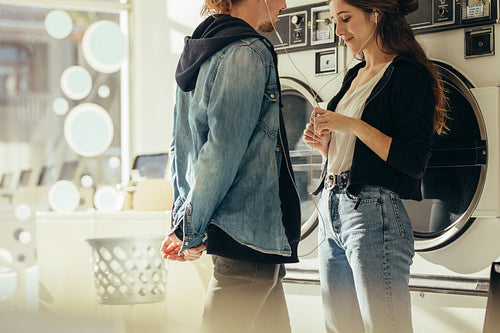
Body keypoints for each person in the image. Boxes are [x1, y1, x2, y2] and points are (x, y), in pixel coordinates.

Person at [302, 0, 447, 332]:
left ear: (376, 15)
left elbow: (413, 161)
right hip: (331, 208)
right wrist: (327, 148)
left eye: (345, 19)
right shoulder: (356, 74)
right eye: (334, 21)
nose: (338, 31)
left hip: (372, 213)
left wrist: (350, 124)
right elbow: (359, 154)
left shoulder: (408, 73)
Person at [160, 1, 301, 332]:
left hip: (241, 239)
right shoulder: (247, 52)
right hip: (249, 236)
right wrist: (189, 229)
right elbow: (221, 153)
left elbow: (181, 148)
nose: (283, 4)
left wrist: (184, 220)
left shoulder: (199, 50)